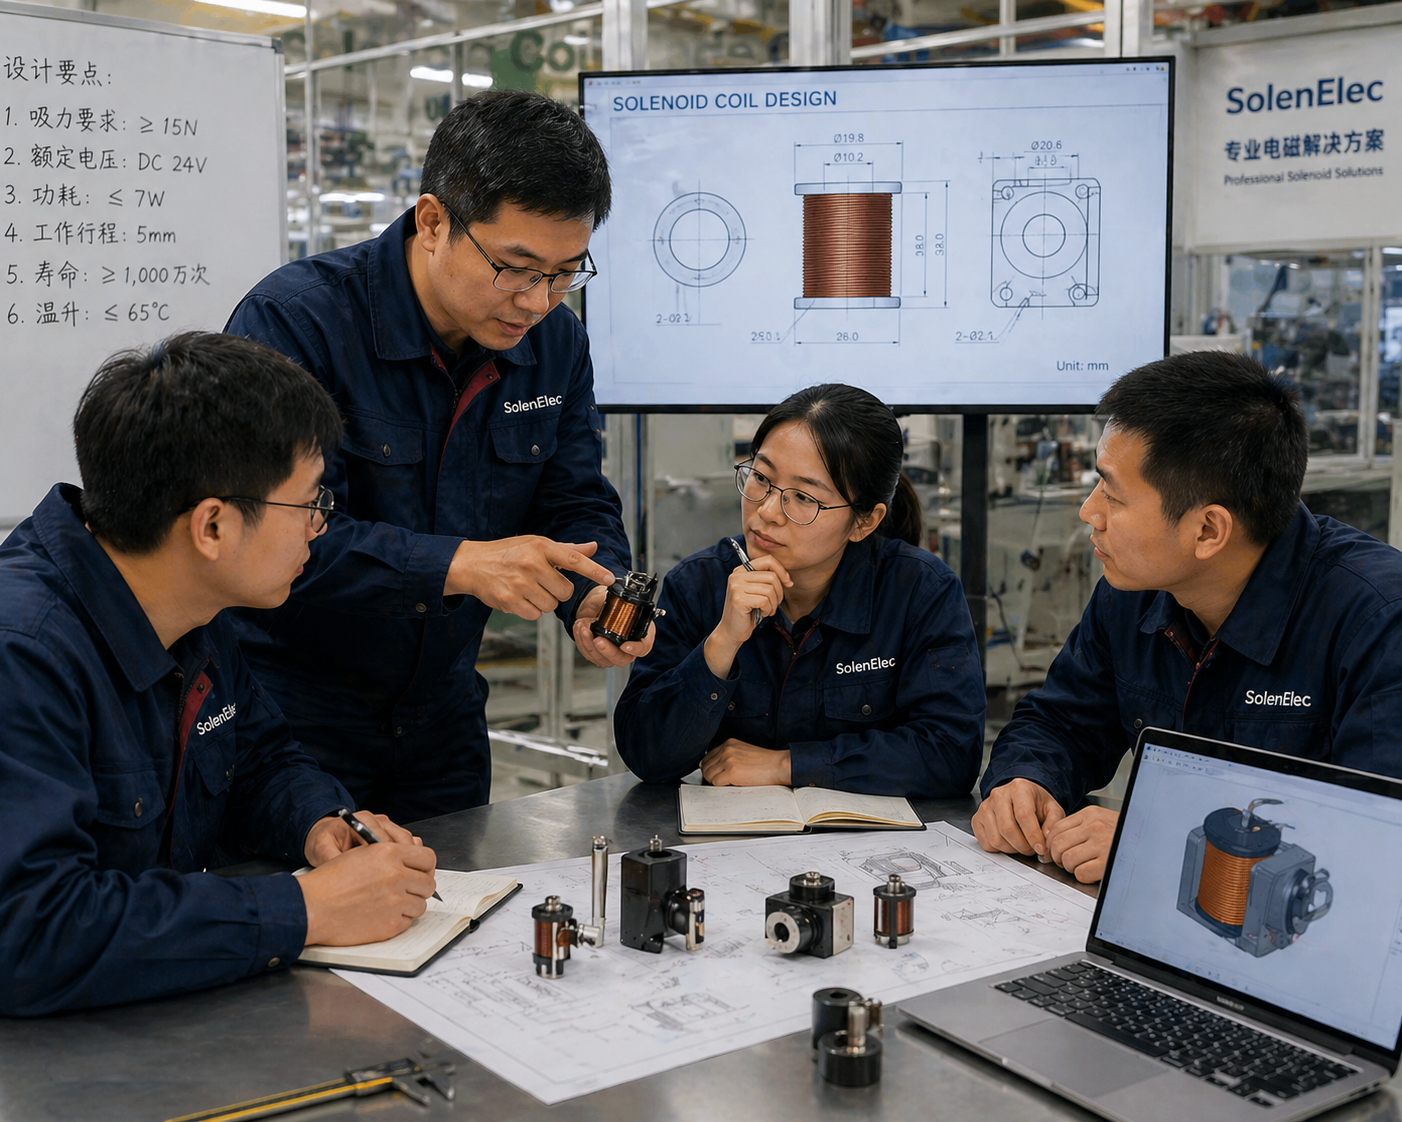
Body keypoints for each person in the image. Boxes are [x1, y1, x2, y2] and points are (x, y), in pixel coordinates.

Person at [224, 91, 647, 820]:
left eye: (565, 271)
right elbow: (263, 537)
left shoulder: (554, 344)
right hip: (287, 722)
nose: (537, 300)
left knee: (459, 917)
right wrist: (460, 565)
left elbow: (573, 495)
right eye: (515, 268)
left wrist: (595, 590)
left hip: (443, 722)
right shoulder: (296, 325)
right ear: (432, 222)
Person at [0, 334, 439, 1016]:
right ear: (212, 526)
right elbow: (29, 932)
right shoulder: (23, 655)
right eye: (309, 506)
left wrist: (317, 821)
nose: (319, 529)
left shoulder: (192, 605)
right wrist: (301, 909)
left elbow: (257, 760)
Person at [972, 352, 1402, 883]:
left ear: (1207, 531)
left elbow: (1381, 843)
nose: (1089, 511)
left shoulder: (1377, 622)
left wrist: (1157, 844)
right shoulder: (1135, 590)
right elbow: (1061, 722)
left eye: (1111, 493)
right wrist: (1023, 783)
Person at [615, 384, 985, 796]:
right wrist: (721, 644)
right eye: (760, 477)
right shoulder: (698, 584)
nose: (767, 512)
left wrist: (787, 765)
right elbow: (646, 756)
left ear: (865, 521)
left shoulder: (920, 592)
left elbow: (951, 753)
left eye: (804, 498)